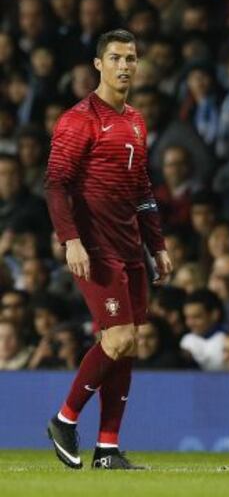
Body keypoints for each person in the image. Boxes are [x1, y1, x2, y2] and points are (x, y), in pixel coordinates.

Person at [44, 29, 172, 470]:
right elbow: (56, 184)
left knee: (128, 344)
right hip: (95, 246)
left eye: (131, 58)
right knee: (117, 338)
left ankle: (107, 448)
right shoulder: (79, 119)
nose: (124, 65)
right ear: (98, 64)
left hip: (130, 246)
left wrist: (157, 244)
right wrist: (71, 239)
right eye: (115, 57)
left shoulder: (136, 119)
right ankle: (64, 419)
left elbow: (142, 188)